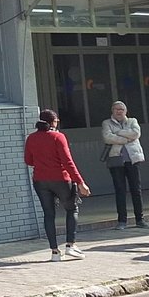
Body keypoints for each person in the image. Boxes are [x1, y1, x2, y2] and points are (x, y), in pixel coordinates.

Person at [24, 109, 90, 261]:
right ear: (54, 122)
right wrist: (80, 182)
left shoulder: (31, 138)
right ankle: (70, 246)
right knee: (72, 208)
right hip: (61, 179)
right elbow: (68, 162)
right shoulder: (58, 137)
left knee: (48, 214)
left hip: (40, 180)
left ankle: (54, 252)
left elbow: (28, 161)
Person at [101, 101, 147, 230]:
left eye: (121, 109)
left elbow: (136, 134)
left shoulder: (133, 121)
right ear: (112, 111)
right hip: (116, 160)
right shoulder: (106, 123)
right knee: (120, 191)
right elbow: (107, 137)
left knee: (136, 190)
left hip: (133, 159)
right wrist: (126, 138)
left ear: (125, 111)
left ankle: (140, 219)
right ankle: (122, 221)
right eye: (116, 109)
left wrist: (118, 133)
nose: (119, 111)